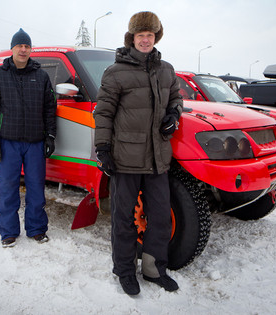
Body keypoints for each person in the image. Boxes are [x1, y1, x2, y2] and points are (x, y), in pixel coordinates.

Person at [93, 11, 183, 295]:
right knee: (124, 218)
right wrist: (103, 148)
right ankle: (124, 270)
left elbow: (177, 99)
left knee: (159, 217)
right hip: (126, 157)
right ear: (131, 38)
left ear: (156, 37)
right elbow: (104, 112)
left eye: (150, 35)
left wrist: (174, 115)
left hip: (158, 157)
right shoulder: (115, 72)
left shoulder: (167, 70)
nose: (145, 40)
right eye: (140, 35)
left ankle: (154, 270)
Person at [0, 28, 57, 248]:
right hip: (7, 143)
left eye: (27, 46)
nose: (23, 50)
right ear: (12, 48)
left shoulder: (41, 76)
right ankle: (8, 232)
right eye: (19, 46)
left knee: (36, 189)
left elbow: (49, 109)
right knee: (7, 189)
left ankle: (36, 229)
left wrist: (50, 136)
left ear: (30, 49)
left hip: (35, 143)